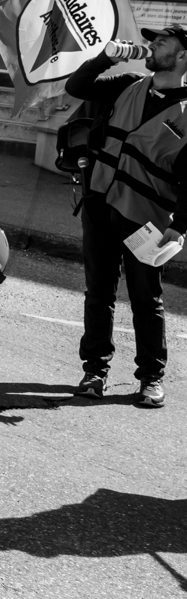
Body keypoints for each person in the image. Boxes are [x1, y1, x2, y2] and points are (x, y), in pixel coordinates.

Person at [63, 27, 187, 410]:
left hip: (146, 219)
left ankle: (151, 378)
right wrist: (106, 57)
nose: (152, 46)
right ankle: (94, 371)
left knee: (145, 298)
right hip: (99, 203)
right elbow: (78, 86)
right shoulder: (128, 83)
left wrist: (178, 226)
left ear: (182, 56)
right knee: (98, 292)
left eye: (162, 43)